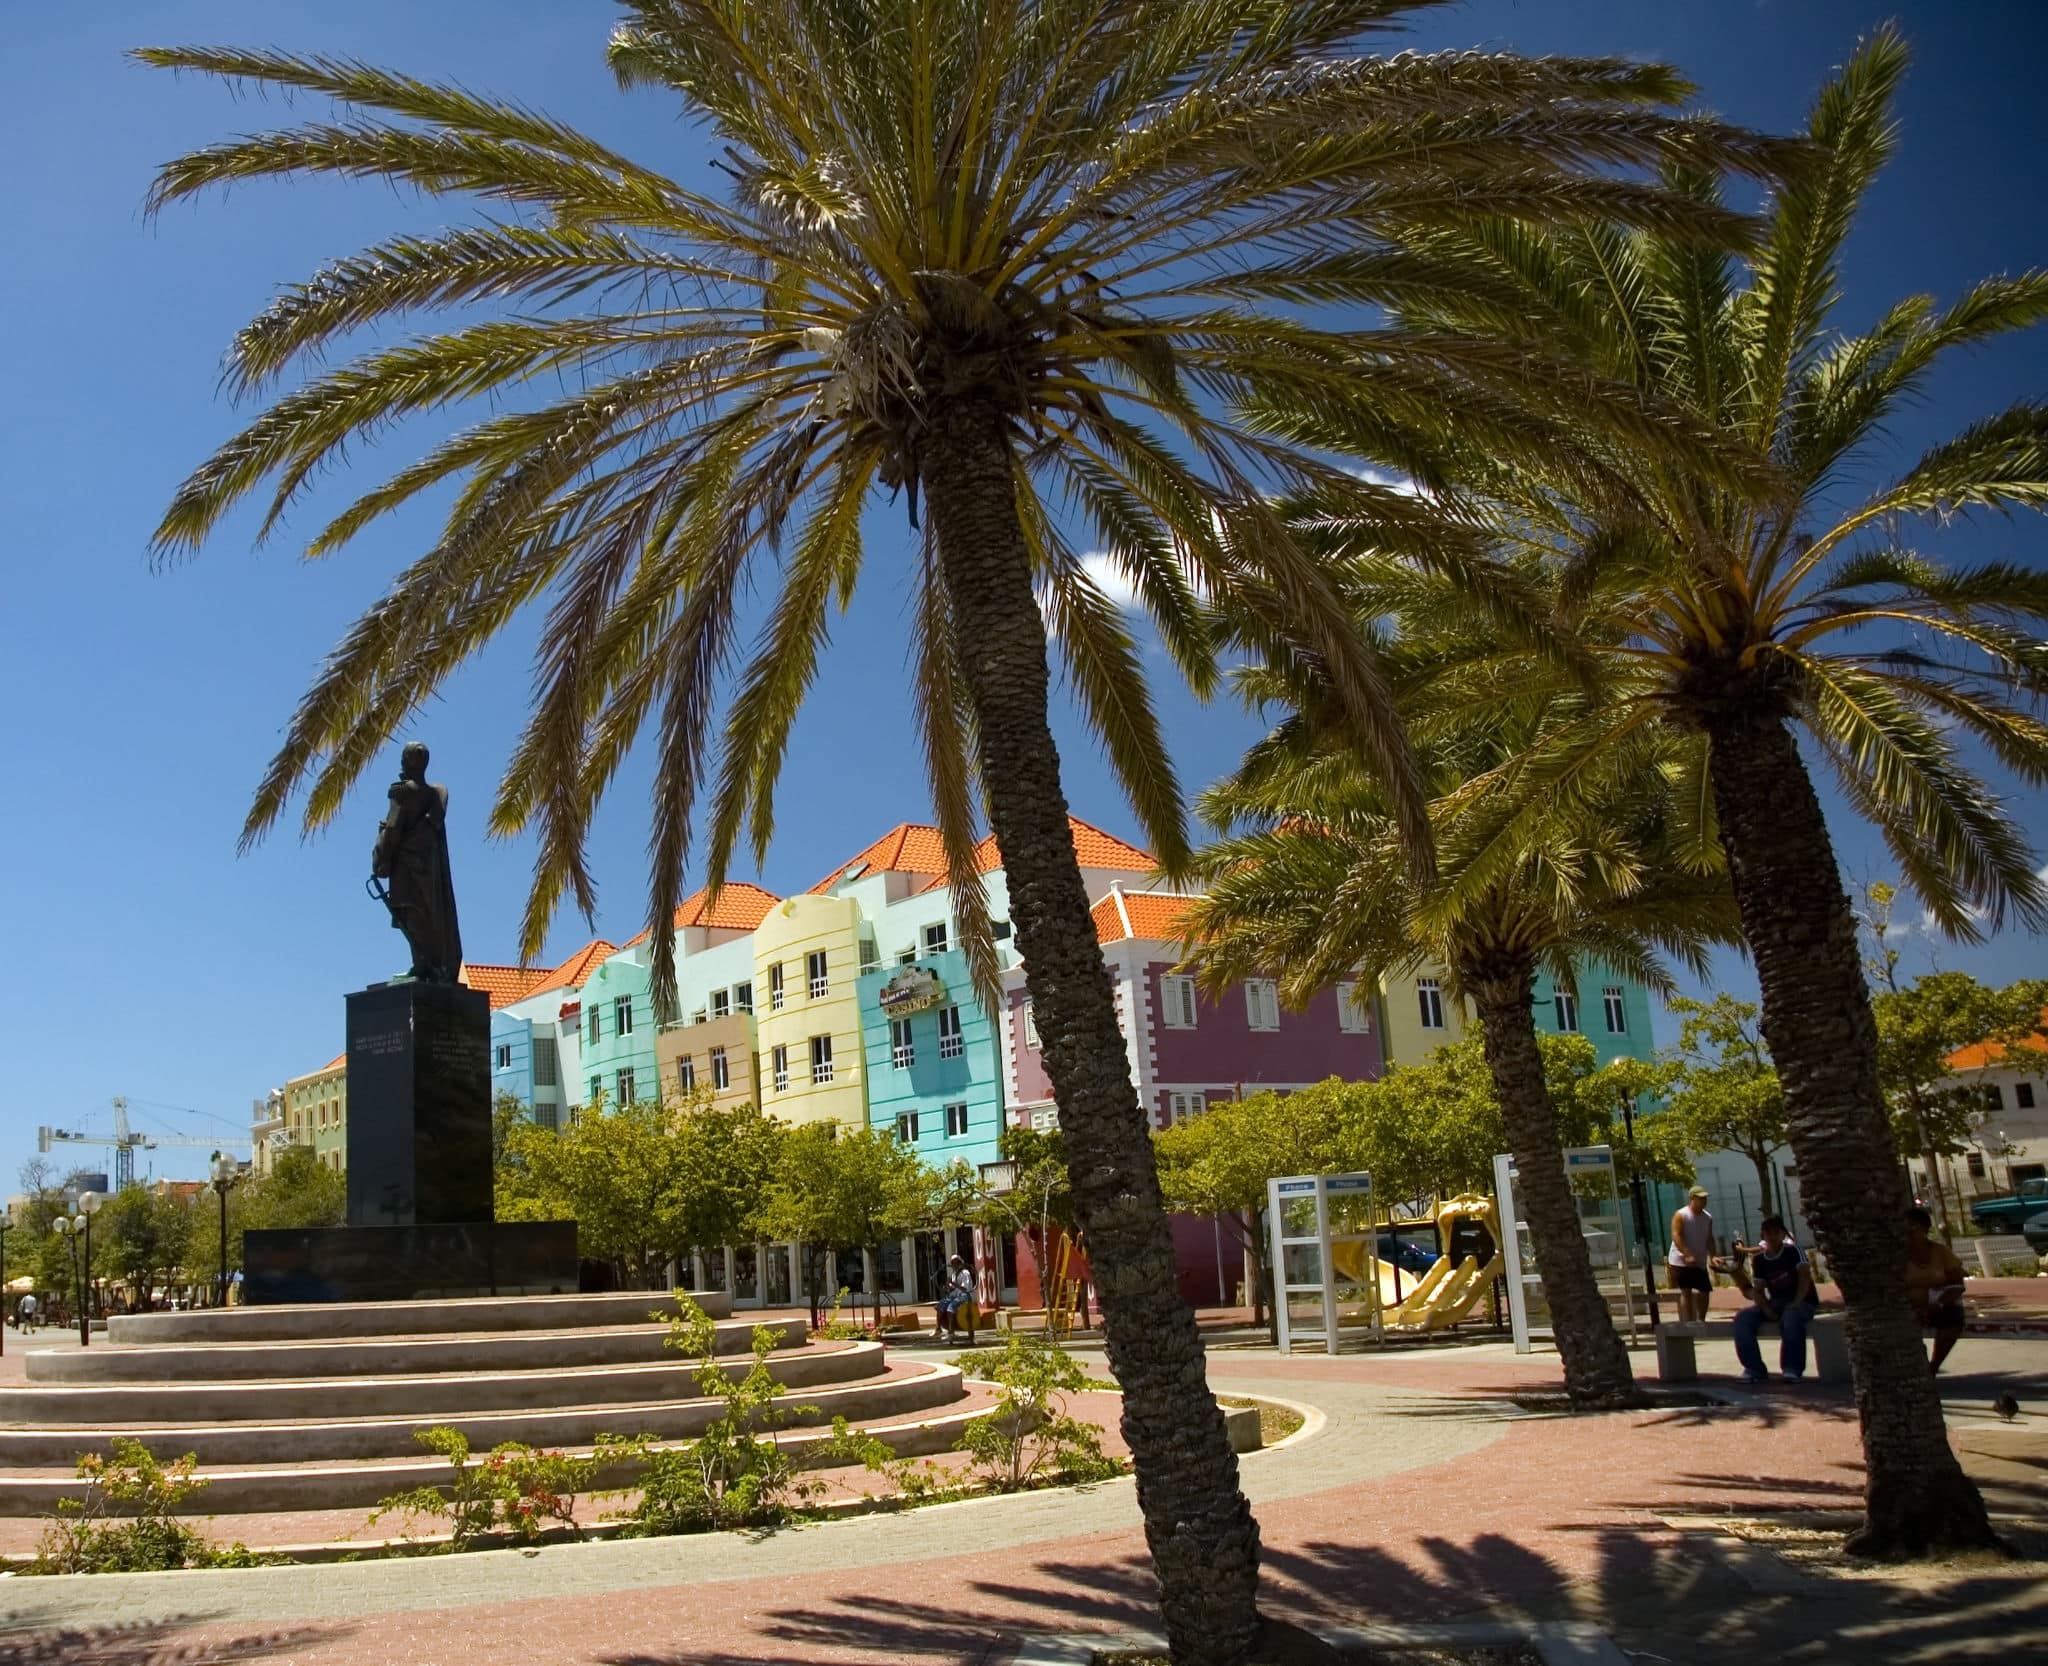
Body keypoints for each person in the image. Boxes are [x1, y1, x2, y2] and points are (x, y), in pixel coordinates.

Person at [1731, 1217, 1818, 1383]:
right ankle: (1754, 1369)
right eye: (1768, 1233)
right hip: (1777, 1302)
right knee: (1743, 1318)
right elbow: (1758, 1291)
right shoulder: (1759, 1260)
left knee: (1791, 1318)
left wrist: (1797, 1302)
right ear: (1763, 1235)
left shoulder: (1794, 1252)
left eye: (1776, 1233)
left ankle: (1791, 1369)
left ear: (1782, 1234)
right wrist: (1766, 1309)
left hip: (1803, 1301)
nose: (1772, 1237)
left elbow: (1805, 1277)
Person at [1904, 1205, 1967, 1373]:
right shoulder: (1898, 1256)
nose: (1909, 1231)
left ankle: (1934, 1366)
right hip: (1908, 1306)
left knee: (1953, 1319)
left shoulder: (1941, 1252)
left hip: (1937, 1305)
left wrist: (1936, 1305)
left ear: (1925, 1228)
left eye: (1913, 1226)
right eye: (1905, 1227)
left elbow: (1958, 1286)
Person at [1667, 1185, 1717, 1323]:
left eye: (1705, 1198)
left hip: (1699, 1261)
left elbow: (1710, 1238)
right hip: (1681, 1261)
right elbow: (1676, 1235)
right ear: (1692, 1199)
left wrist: (1713, 1255)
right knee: (1686, 1291)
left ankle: (1701, 1320)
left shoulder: (1708, 1218)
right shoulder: (1681, 1215)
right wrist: (1686, 1253)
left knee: (1705, 1290)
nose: (1704, 1201)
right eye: (1700, 1198)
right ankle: (1688, 1322)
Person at [934, 1255, 977, 1341]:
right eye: (953, 1263)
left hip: (965, 1295)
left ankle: (951, 1332)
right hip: (955, 1295)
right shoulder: (954, 1274)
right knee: (940, 1306)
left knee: (951, 1308)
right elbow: (952, 1288)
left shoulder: (965, 1273)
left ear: (960, 1263)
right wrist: (947, 1286)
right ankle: (938, 1328)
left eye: (956, 1263)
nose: (954, 1265)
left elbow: (965, 1288)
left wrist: (953, 1284)